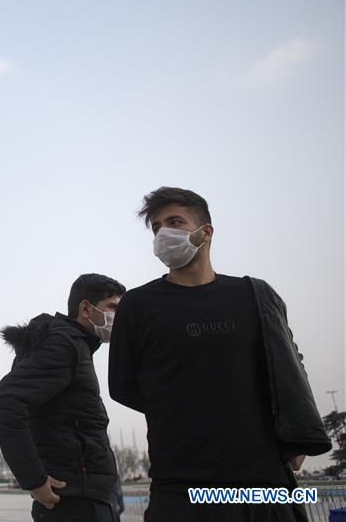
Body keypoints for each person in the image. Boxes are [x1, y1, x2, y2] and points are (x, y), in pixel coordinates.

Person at [108, 187, 331, 522]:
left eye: (174, 222)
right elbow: (123, 385)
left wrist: (296, 438)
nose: (163, 233)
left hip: (265, 485)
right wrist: (187, 408)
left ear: (206, 231)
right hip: (182, 487)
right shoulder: (138, 306)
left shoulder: (255, 296)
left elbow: (288, 366)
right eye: (156, 227)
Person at [0, 273, 126, 522]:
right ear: (86, 308)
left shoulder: (76, 345)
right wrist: (34, 479)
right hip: (75, 502)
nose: (119, 317)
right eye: (113, 308)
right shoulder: (64, 344)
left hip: (83, 498)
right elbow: (6, 401)